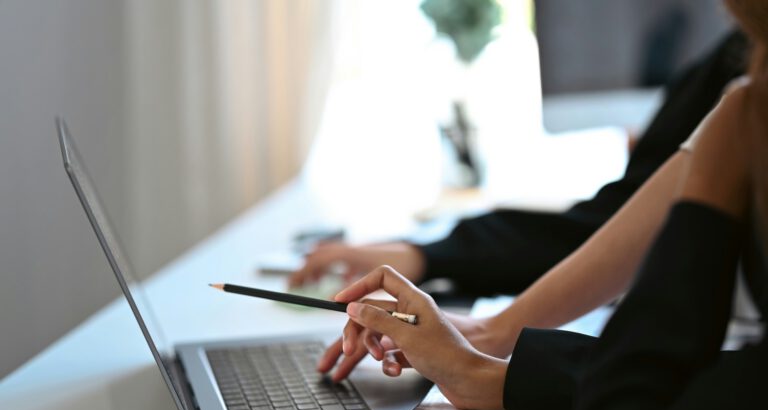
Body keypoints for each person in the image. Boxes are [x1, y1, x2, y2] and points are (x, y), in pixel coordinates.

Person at [333, 0, 768, 410]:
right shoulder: (744, 97)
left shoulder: (745, 106)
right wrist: (491, 341)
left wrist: (497, 376)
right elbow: (636, 210)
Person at [294, 29, 749, 382]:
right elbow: (620, 219)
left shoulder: (742, 89)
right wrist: (487, 332)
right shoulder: (741, 86)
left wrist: (495, 379)